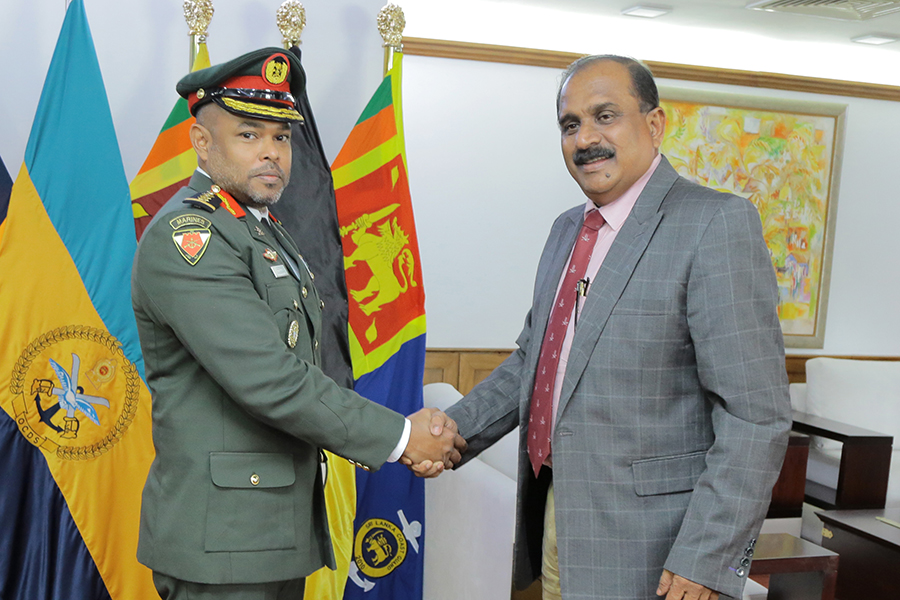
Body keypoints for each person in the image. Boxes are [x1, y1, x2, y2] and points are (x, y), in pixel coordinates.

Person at [436, 55, 792, 600]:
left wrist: (707, 557)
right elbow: (538, 363)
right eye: (570, 124)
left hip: (657, 549)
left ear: (654, 124)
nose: (586, 139)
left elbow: (756, 416)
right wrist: (449, 432)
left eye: (606, 116)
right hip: (559, 520)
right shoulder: (566, 230)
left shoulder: (715, 224)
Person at [131, 48, 460, 599]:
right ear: (202, 143)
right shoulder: (191, 239)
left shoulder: (262, 231)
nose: (271, 154)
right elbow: (270, 377)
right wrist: (402, 437)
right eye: (248, 134)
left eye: (281, 138)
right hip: (224, 539)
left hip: (268, 529)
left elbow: (307, 363)